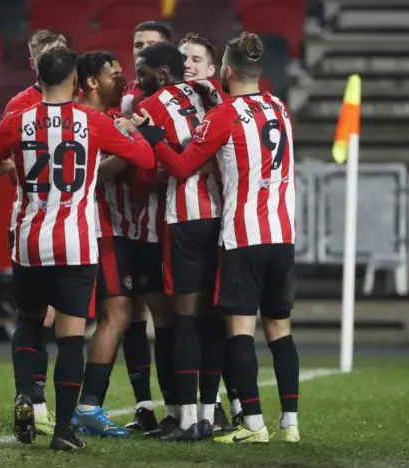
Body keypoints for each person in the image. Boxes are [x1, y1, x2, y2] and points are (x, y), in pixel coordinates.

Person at [0, 46, 158, 451]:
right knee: (71, 337)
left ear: (40, 79)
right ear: (75, 80)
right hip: (74, 241)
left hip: (29, 241)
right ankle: (63, 432)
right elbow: (142, 157)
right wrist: (132, 131)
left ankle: (26, 395)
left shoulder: (16, 121)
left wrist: (10, 163)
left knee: (30, 321)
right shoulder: (92, 122)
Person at [122, 32, 300, 445]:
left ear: (228, 70)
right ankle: (288, 423)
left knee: (228, 327)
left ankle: (247, 423)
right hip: (283, 233)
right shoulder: (280, 108)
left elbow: (182, 165)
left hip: (237, 231)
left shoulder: (225, 112)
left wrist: (150, 135)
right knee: (280, 330)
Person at [132, 41, 226, 442]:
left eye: (144, 72)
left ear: (162, 73)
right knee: (211, 320)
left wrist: (138, 131)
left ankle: (187, 419)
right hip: (220, 215)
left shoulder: (150, 108)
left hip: (185, 219)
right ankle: (212, 412)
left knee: (184, 319)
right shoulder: (211, 94)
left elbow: (147, 171)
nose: (139, 80)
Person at [0, 29, 68, 437]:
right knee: (41, 316)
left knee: (48, 317)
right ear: (32, 63)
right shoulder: (18, 105)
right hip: (35, 221)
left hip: (66, 223)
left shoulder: (74, 100)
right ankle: (36, 400)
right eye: (45, 56)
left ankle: (35, 400)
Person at [70, 51, 137, 438]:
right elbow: (90, 177)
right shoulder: (88, 119)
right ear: (91, 81)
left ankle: (66, 406)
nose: (122, 80)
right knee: (113, 314)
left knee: (109, 315)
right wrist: (131, 149)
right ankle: (86, 406)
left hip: (106, 227)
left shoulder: (103, 118)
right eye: (114, 74)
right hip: (98, 228)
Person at [178, 32, 241, 431]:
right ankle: (179, 411)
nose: (189, 64)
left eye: (197, 59)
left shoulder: (224, 108)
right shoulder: (164, 103)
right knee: (180, 319)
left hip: (217, 218)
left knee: (213, 317)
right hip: (176, 220)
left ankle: (217, 404)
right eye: (184, 58)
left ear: (213, 69)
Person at [120, 20, 173, 434]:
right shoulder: (125, 99)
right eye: (137, 45)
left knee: (178, 316)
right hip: (133, 225)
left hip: (174, 224)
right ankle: (144, 406)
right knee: (133, 314)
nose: (140, 52)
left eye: (149, 46)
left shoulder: (189, 100)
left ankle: (190, 406)